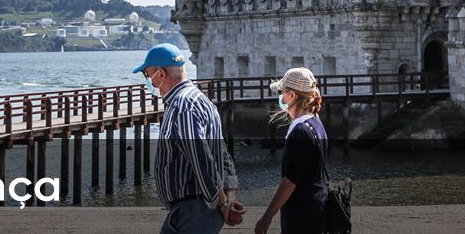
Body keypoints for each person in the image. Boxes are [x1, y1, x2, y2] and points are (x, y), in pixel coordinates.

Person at [134, 43, 245, 233]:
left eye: (147, 74)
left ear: (160, 75)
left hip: (194, 209)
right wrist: (229, 195)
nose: (148, 82)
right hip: (196, 209)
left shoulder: (182, 106)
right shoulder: (202, 100)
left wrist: (223, 204)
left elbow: (201, 159)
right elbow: (222, 153)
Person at [255, 67, 328, 234]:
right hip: (318, 208)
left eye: (282, 92)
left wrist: (266, 217)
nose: (280, 96)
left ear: (292, 95)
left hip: (301, 216)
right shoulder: (316, 124)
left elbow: (290, 181)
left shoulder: (300, 131)